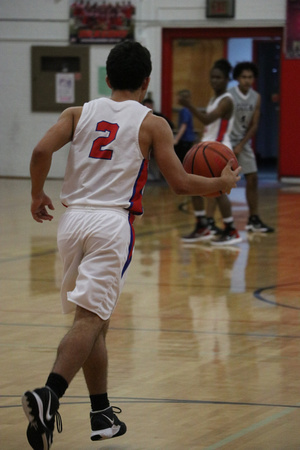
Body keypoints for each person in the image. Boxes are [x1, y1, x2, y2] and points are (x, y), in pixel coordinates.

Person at [22, 40, 241, 450]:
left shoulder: (77, 112)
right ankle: (49, 394)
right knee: (88, 321)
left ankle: (102, 414)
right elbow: (179, 183)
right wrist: (221, 184)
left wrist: (37, 194)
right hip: (110, 224)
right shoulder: (152, 122)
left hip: (71, 221)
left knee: (97, 321)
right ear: (146, 81)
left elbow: (39, 151)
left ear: (106, 78)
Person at [179, 59, 242, 245]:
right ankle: (202, 225)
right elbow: (209, 128)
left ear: (226, 79)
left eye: (219, 78)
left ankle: (231, 229)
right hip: (208, 147)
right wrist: (198, 145)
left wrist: (189, 105)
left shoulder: (227, 101)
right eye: (212, 77)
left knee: (220, 190)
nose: (215, 81)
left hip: (221, 150)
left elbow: (207, 120)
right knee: (192, 184)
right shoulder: (213, 99)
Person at [229, 61, 274, 232]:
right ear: (237, 78)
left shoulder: (256, 97)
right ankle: (211, 221)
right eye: (243, 77)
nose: (247, 80)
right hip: (226, 140)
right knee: (218, 181)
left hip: (242, 142)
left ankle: (254, 219)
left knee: (253, 178)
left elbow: (254, 125)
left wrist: (241, 144)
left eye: (250, 77)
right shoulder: (229, 95)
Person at [173, 89, 196, 163]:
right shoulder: (188, 109)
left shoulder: (184, 110)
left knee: (181, 160)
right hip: (188, 140)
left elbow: (184, 126)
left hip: (185, 140)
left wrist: (176, 139)